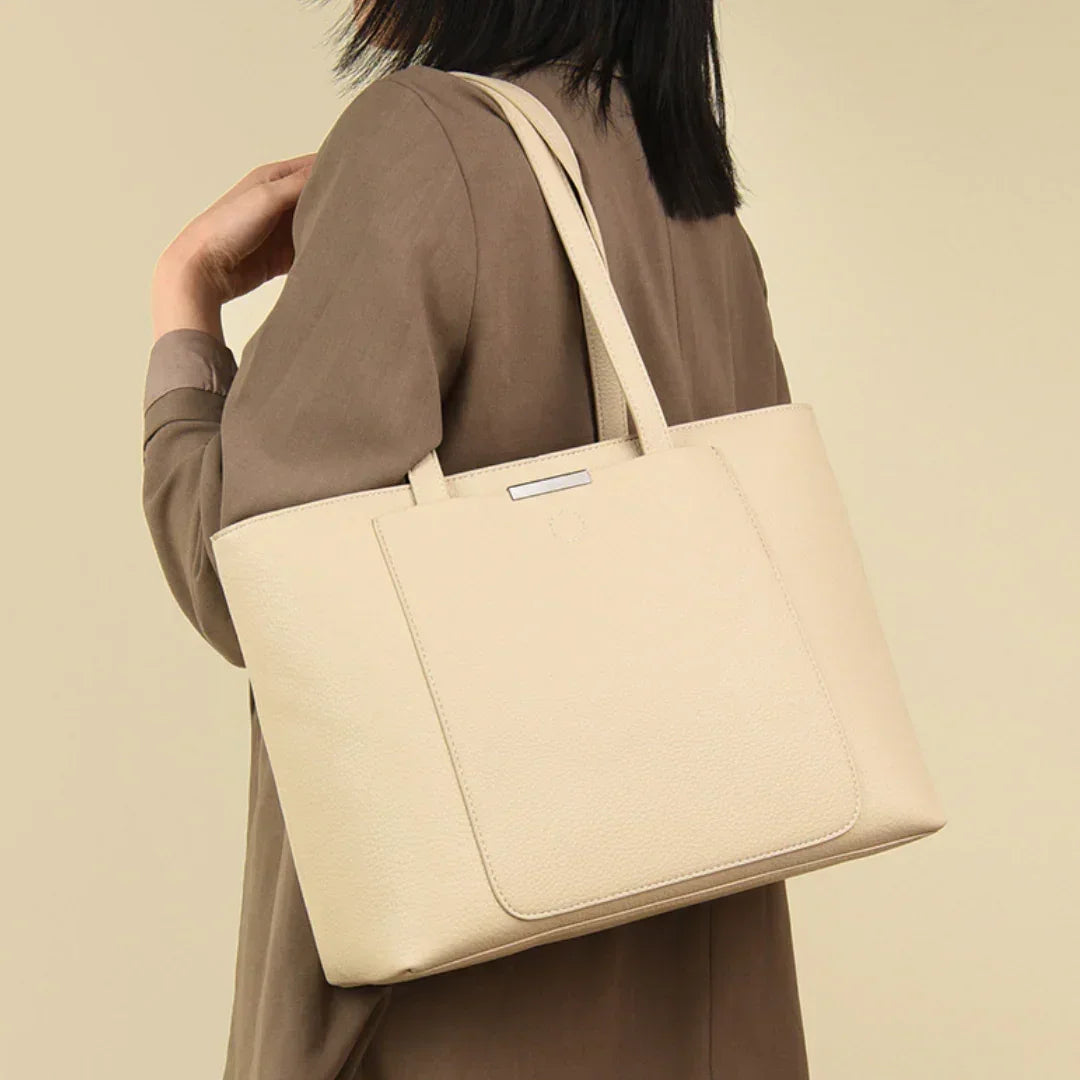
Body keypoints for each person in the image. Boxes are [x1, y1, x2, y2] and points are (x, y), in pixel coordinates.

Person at [142, 2, 809, 1077]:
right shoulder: (693, 196)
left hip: (459, 1012)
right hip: (705, 1013)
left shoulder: (420, 138)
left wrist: (187, 299)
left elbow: (248, 576)